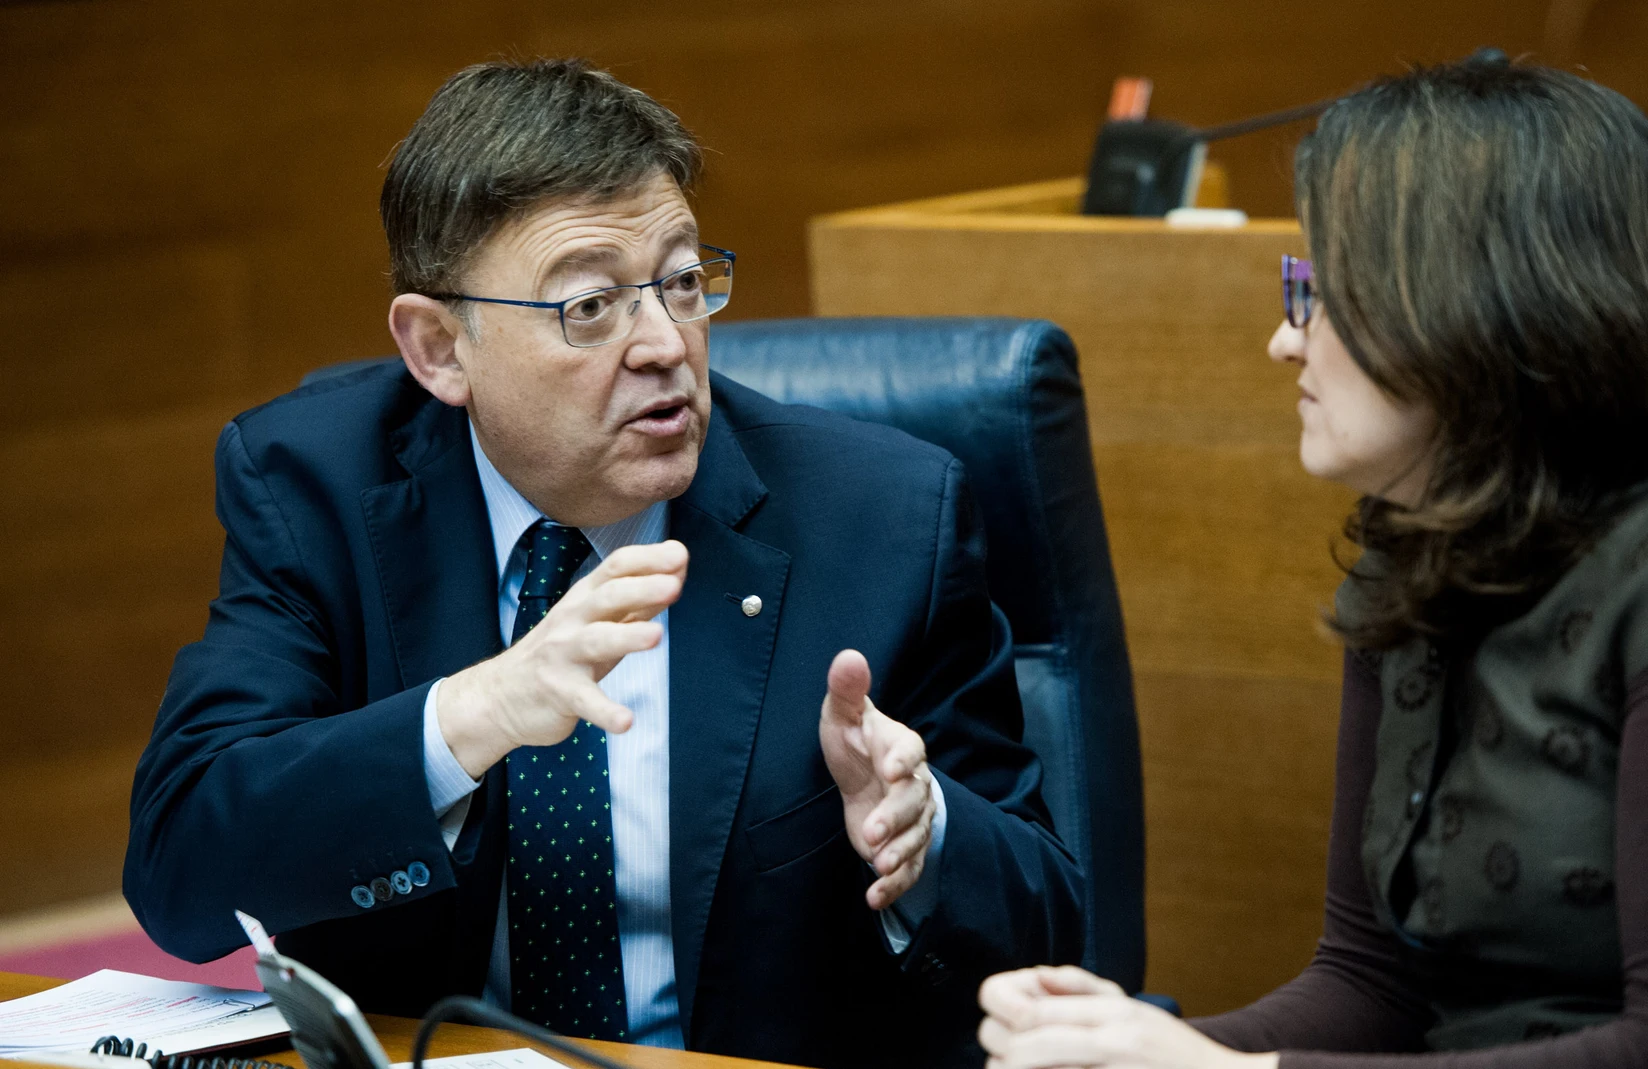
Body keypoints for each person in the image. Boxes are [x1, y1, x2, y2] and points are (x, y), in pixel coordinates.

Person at [124, 58, 1083, 1069]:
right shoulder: (313, 489)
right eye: (589, 306)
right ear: (441, 348)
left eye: (680, 281)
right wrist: (474, 716)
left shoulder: (881, 518)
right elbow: (184, 878)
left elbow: (1057, 926)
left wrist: (923, 830)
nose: (664, 343)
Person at [977, 55, 1648, 1069]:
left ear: (1474, 302)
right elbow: (1369, 983)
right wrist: (1130, 1049)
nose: (1284, 342)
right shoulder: (1419, 547)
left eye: (1320, 292)